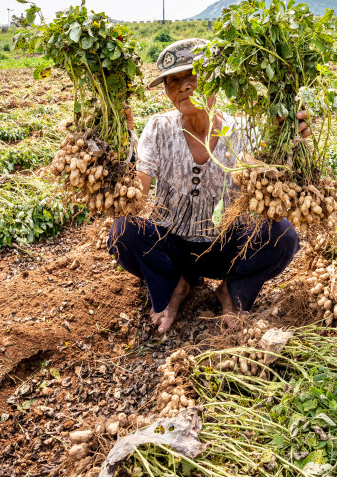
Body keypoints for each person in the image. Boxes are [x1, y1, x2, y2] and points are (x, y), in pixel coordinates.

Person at [108, 38, 308, 333]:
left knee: (283, 236)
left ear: (215, 80)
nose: (184, 86)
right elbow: (137, 195)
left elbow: (274, 187)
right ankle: (175, 286)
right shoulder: (159, 127)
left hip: (227, 246)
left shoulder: (243, 132)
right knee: (122, 231)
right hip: (171, 244)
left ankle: (232, 290)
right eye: (173, 80)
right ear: (166, 92)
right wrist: (116, 143)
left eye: (193, 75)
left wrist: (290, 141)